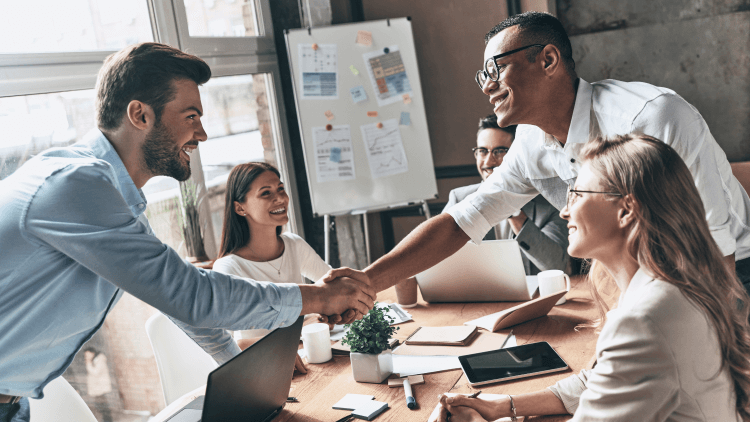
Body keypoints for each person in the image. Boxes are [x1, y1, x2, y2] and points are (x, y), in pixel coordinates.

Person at [0, 42, 375, 422]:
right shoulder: (76, 185)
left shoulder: (108, 195)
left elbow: (175, 299)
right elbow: (190, 295)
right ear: (140, 115)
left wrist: (249, 378)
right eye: (191, 116)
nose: (203, 133)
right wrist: (318, 298)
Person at [359, 11, 750, 296]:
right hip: (637, 280)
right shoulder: (531, 141)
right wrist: (366, 283)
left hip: (729, 274)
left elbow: (715, 244)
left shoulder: (652, 116)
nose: (487, 87)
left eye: (495, 69)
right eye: (483, 76)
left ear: (548, 60)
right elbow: (463, 219)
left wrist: (722, 344)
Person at [436, 134, 750, 421]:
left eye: (577, 194)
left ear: (627, 210)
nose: (564, 211)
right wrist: (504, 406)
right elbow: (600, 379)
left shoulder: (645, 319)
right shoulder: (670, 289)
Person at [210, 161, 332, 371]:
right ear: (240, 208)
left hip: (307, 359)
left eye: (281, 189)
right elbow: (222, 343)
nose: (280, 198)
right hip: (264, 369)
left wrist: (325, 313)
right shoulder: (228, 268)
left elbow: (332, 286)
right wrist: (273, 348)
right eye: (266, 193)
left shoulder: (293, 244)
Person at [443, 114, 569, 275]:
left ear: (517, 156)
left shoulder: (549, 200)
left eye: (499, 151)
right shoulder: (459, 198)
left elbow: (557, 265)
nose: (488, 162)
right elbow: (440, 258)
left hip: (534, 297)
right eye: (482, 151)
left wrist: (513, 211)